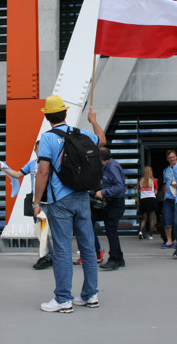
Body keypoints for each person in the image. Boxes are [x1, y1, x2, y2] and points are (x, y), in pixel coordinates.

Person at [33, 95, 106, 313]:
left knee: (63, 250)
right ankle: (90, 295)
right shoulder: (82, 133)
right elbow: (101, 140)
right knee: (87, 248)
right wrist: (92, 119)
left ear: (47, 116)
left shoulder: (47, 138)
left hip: (60, 201)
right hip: (83, 197)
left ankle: (64, 298)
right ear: (65, 114)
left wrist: (36, 201)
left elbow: (43, 171)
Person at [0, 140, 55, 270]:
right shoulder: (31, 164)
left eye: (43, 149)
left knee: (55, 230)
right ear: (35, 151)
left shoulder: (53, 163)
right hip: (38, 203)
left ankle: (54, 256)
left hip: (53, 201)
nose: (41, 151)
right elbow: (17, 174)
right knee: (41, 230)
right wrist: (3, 167)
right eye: (38, 149)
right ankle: (46, 257)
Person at [97, 147, 126, 270]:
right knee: (110, 230)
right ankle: (119, 258)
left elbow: (119, 187)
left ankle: (114, 259)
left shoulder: (112, 167)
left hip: (115, 203)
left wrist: (103, 192)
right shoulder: (108, 166)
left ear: (101, 158)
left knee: (111, 230)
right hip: (111, 203)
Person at [161, 150, 177, 248]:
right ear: (167, 159)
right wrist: (164, 197)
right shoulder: (165, 170)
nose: (172, 159)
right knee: (167, 220)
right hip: (168, 199)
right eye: (170, 157)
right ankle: (169, 241)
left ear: (176, 157)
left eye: (173, 157)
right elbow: (165, 185)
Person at [137, 165, 158, 240]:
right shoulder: (154, 180)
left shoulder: (141, 180)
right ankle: (151, 235)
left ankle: (140, 231)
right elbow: (155, 191)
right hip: (152, 199)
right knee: (151, 219)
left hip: (143, 200)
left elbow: (140, 191)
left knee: (144, 219)